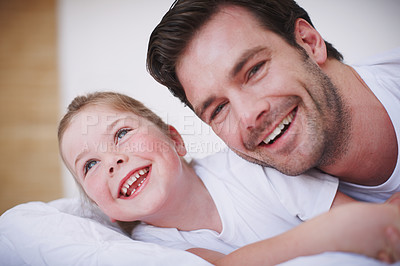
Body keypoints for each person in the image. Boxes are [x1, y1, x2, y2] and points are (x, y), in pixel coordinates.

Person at [58, 91, 400, 265]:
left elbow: (363, 222)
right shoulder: (150, 249)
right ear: (105, 210)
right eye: (89, 165)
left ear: (175, 140)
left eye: (121, 134)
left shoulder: (247, 166)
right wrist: (328, 234)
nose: (113, 160)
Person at [147, 0, 400, 203]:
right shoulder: (256, 196)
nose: (247, 116)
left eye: (254, 70)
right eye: (219, 109)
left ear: (309, 43)